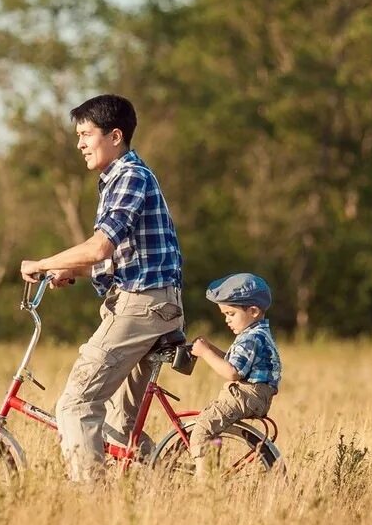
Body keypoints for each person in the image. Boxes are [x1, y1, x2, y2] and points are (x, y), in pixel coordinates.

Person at [20, 94, 184, 483]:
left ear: (114, 136)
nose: (79, 144)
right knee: (118, 427)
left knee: (76, 404)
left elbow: (100, 246)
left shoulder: (130, 176)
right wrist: (68, 271)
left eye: (85, 134)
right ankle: (162, 491)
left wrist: (43, 262)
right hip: (151, 304)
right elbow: (116, 252)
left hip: (142, 305)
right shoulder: (117, 178)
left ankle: (90, 503)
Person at [188, 273, 282, 479]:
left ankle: (205, 481)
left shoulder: (250, 338)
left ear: (253, 311)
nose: (227, 320)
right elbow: (235, 362)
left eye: (231, 313)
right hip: (256, 395)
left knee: (202, 427)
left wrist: (205, 353)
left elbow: (232, 372)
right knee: (213, 428)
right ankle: (213, 465)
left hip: (246, 394)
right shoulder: (258, 334)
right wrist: (211, 348)